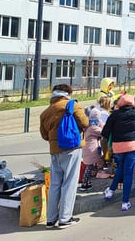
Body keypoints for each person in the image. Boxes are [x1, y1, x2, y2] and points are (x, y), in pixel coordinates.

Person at [40, 84, 89, 229]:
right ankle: (65, 218)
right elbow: (85, 123)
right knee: (69, 183)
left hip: (55, 151)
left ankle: (50, 219)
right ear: (67, 93)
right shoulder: (72, 105)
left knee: (55, 183)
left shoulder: (45, 112)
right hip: (72, 148)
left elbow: (44, 135)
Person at [101, 94, 135, 212]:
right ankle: (125, 202)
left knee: (120, 168)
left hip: (119, 146)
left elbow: (105, 132)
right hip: (133, 145)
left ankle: (111, 191)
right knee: (128, 172)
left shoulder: (114, 116)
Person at [80, 108, 104, 192]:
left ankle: (86, 181)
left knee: (90, 165)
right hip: (91, 149)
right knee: (89, 166)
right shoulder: (93, 127)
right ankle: (84, 183)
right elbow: (102, 131)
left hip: (87, 148)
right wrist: (101, 124)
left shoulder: (88, 125)